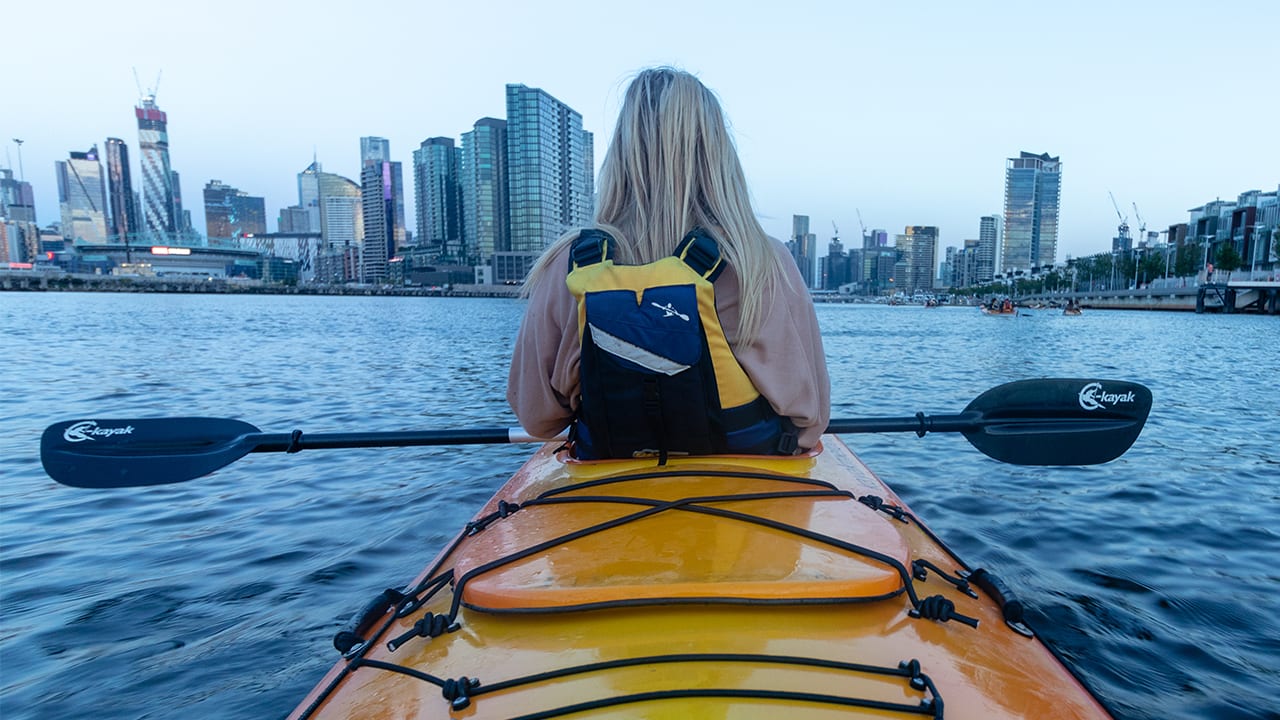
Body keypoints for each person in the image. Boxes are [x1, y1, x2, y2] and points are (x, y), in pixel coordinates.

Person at [507, 67, 830, 462]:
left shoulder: (570, 265)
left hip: (611, 500)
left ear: (621, 153)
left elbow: (537, 419)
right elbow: (810, 423)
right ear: (718, 154)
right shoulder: (764, 262)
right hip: (746, 498)